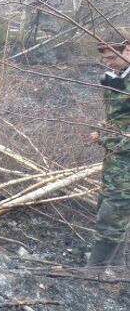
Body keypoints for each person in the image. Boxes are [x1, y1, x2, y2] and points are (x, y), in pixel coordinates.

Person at [85, 29, 130, 271]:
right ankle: (117, 265)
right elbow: (119, 118)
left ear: (128, 48)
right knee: (109, 204)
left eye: (112, 57)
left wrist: (105, 135)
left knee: (113, 210)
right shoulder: (118, 76)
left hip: (127, 157)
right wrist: (101, 129)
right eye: (105, 59)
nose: (108, 63)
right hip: (117, 157)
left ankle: (96, 272)